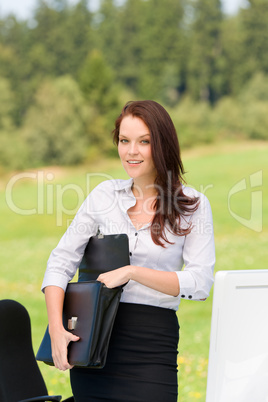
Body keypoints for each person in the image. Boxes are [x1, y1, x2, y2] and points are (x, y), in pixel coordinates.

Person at [42, 100, 215, 402]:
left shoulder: (193, 205)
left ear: (162, 144)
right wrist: (56, 329)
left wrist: (132, 272)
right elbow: (60, 262)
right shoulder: (103, 196)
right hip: (96, 342)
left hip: (152, 347)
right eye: (124, 141)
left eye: (144, 141)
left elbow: (200, 283)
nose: (131, 151)